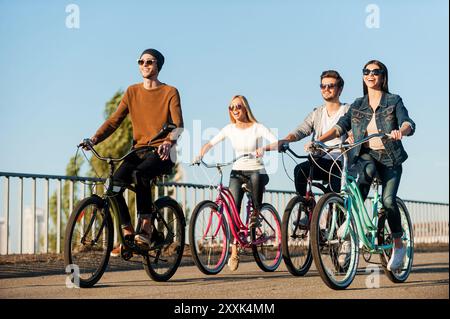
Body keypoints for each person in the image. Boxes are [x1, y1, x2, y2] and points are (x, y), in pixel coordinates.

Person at [308, 60, 416, 271]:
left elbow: (408, 123)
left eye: (376, 71)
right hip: (366, 155)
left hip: (390, 158)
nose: (371, 74)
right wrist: (319, 140)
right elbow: (341, 127)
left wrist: (400, 132)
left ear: (383, 77)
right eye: (366, 71)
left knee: (388, 201)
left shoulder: (393, 100)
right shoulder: (358, 105)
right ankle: (350, 230)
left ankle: (398, 244)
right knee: (360, 177)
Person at [85, 48, 184, 256]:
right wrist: (95, 138)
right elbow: (114, 121)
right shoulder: (132, 91)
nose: (144, 65)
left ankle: (146, 227)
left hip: (163, 152)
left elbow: (178, 125)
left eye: (149, 62)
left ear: (158, 66)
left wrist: (168, 141)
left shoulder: (170, 92)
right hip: (138, 151)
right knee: (113, 186)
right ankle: (129, 234)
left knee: (141, 174)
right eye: (141, 62)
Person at [195, 95, 277, 271]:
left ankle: (256, 212)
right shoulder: (229, 129)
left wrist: (264, 148)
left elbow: (276, 142)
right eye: (231, 108)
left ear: (245, 107)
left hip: (257, 170)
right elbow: (210, 143)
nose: (235, 110)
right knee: (233, 211)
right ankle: (234, 252)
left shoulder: (257, 127)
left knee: (255, 180)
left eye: (238, 106)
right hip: (237, 171)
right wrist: (200, 154)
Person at [261, 70, 350, 202]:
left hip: (339, 162)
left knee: (335, 200)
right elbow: (301, 130)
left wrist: (351, 137)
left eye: (331, 86)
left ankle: (334, 216)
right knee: (300, 171)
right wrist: (285, 140)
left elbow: (353, 130)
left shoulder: (348, 110)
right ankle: (307, 206)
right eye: (323, 86)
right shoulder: (317, 113)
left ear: (340, 89)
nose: (326, 89)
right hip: (319, 160)